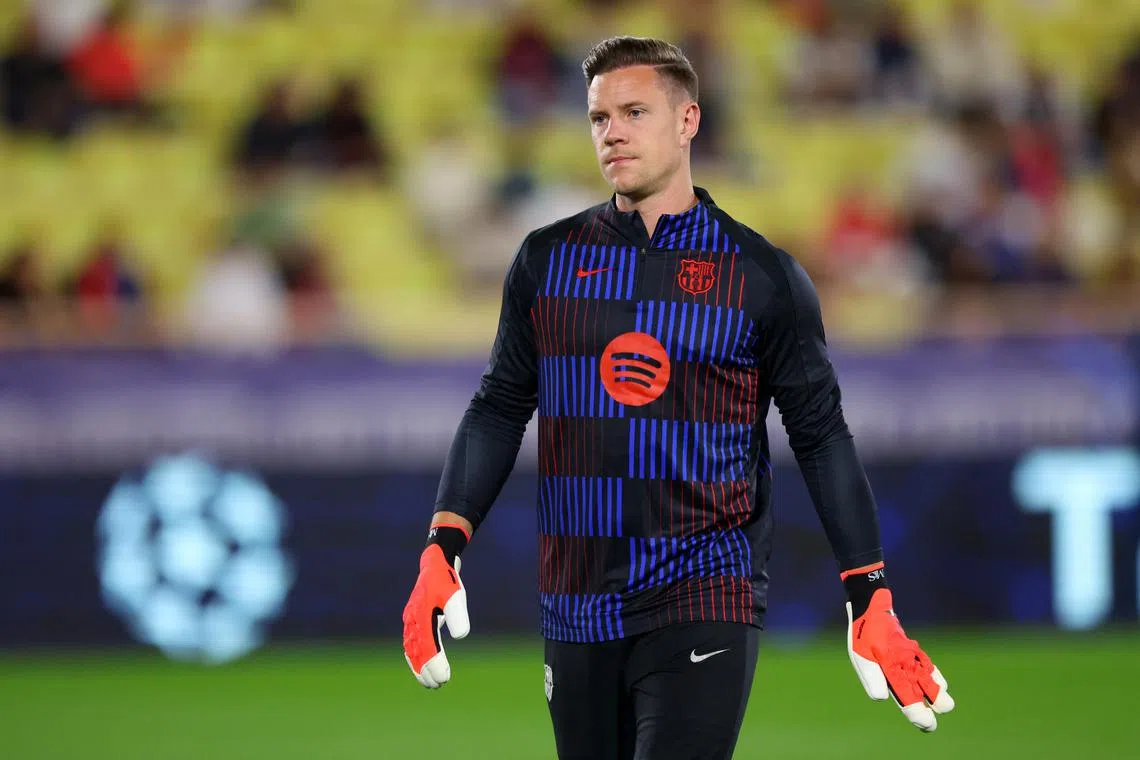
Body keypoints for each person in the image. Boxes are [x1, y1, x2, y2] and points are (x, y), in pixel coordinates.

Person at [401, 36, 955, 759]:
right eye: (599, 118)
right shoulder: (545, 261)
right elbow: (501, 405)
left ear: (688, 120)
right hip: (575, 607)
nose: (613, 132)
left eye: (634, 111)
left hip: (705, 591)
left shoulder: (761, 276)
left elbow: (821, 436)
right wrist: (443, 546)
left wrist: (868, 591)